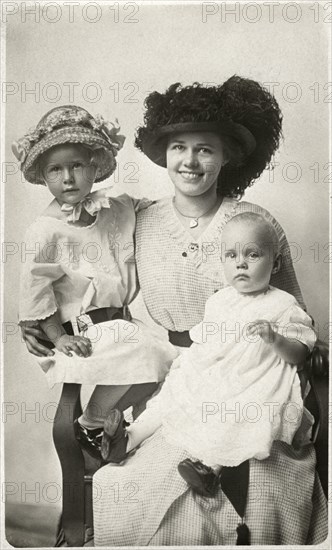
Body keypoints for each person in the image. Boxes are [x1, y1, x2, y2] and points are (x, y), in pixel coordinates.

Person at [22, 78, 328, 545]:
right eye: (179, 147)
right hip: (173, 376)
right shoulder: (134, 217)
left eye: (206, 149)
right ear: (162, 154)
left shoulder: (255, 224)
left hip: (252, 378)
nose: (190, 161)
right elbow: (70, 251)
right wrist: (45, 323)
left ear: (227, 158)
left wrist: (297, 359)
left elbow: (294, 316)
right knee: (144, 484)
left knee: (260, 476)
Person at [99, 212, 317, 500]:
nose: (241, 262)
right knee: (173, 396)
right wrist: (190, 368)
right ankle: (127, 439)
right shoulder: (219, 300)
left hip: (256, 377)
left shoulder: (283, 304)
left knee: (239, 415)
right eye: (231, 255)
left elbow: (300, 353)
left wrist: (275, 339)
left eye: (253, 255)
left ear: (275, 263)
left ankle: (209, 470)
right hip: (216, 370)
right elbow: (206, 342)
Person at [14, 105, 177, 457]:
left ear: (94, 167)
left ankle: (110, 427)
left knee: (165, 364)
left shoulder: (115, 209)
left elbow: (153, 209)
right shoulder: (46, 229)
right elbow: (35, 288)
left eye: (76, 165)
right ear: (43, 177)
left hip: (120, 324)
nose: (68, 178)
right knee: (145, 350)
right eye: (55, 170)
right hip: (80, 331)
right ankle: (90, 423)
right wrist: (59, 337)